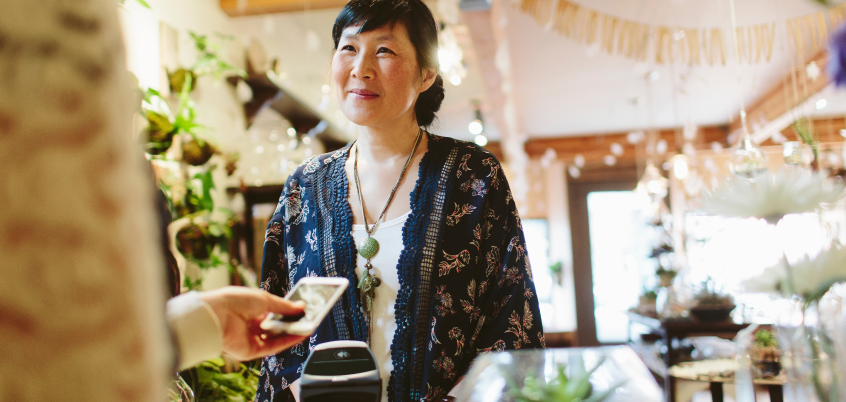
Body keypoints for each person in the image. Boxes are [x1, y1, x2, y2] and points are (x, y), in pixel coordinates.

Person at [256, 0, 545, 400]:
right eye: (349, 48)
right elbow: (277, 327)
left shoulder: (474, 176)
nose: (361, 69)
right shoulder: (303, 186)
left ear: (426, 73)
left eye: (385, 50)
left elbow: (512, 319)